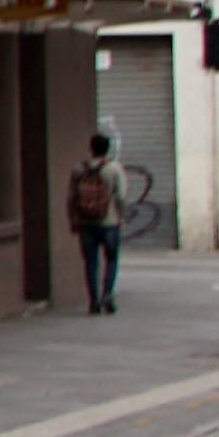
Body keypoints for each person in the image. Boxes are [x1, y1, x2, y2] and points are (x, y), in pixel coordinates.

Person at [68, 130, 126, 314]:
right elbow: (122, 197)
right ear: (108, 149)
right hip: (109, 222)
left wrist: (73, 219)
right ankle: (107, 292)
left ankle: (93, 300)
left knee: (91, 262)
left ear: (90, 148)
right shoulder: (114, 169)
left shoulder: (79, 169)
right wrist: (121, 217)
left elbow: (71, 198)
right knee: (112, 259)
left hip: (86, 223)